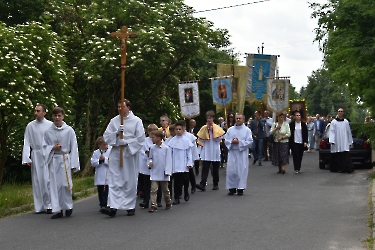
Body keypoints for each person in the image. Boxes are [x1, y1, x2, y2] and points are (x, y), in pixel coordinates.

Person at [102, 100, 145, 217]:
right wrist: (116, 134)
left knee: (129, 180)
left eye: (122, 106)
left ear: (129, 107)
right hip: (116, 152)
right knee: (115, 180)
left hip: (129, 153)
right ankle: (113, 207)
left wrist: (127, 142)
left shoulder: (136, 121)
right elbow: (106, 137)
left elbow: (141, 139)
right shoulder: (114, 121)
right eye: (118, 107)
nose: (120, 109)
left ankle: (130, 206)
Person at [43, 107, 80, 219]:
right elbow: (44, 147)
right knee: (55, 186)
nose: (57, 118)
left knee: (65, 184)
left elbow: (74, 147)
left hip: (65, 159)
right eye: (55, 116)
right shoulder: (48, 131)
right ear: (52, 117)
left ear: (63, 116)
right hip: (54, 159)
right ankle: (58, 210)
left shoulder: (69, 130)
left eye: (59, 115)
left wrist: (74, 164)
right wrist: (52, 148)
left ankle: (68, 206)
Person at [22, 104, 53, 214]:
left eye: (38, 111)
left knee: (47, 179)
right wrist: (27, 158)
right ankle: (39, 206)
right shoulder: (30, 125)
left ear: (44, 113)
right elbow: (27, 141)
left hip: (47, 154)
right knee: (37, 180)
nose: (35, 113)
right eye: (35, 111)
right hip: (36, 154)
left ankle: (50, 204)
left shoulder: (50, 125)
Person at [196, 110, 225, 191]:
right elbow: (202, 139)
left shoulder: (217, 128)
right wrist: (207, 131)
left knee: (215, 168)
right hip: (207, 150)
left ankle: (216, 183)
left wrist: (212, 131)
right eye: (207, 118)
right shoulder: (203, 128)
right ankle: (202, 184)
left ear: (213, 118)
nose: (209, 120)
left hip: (215, 150)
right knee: (205, 168)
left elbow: (220, 138)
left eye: (210, 118)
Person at [224, 113, 253, 196]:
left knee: (241, 170)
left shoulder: (247, 130)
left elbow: (250, 141)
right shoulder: (230, 129)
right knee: (231, 170)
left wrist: (239, 143)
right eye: (237, 118)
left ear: (243, 120)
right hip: (233, 152)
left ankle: (240, 188)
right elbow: (226, 140)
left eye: (240, 118)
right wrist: (231, 142)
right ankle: (232, 188)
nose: (238, 120)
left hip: (242, 152)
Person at [167, 121, 193, 204]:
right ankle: (176, 197)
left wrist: (189, 163)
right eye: (176, 129)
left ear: (183, 130)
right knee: (177, 181)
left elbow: (189, 153)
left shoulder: (186, 141)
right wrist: (169, 164)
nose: (178, 131)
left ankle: (186, 192)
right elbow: (169, 154)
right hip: (175, 164)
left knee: (185, 180)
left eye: (179, 129)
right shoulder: (171, 141)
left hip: (184, 164)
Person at [147, 130, 173, 212]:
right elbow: (150, 158)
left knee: (165, 190)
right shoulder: (152, 148)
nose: (152, 139)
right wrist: (150, 163)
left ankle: (168, 202)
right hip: (155, 172)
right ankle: (153, 205)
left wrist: (167, 171)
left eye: (153, 137)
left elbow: (168, 161)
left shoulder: (166, 148)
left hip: (163, 173)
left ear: (159, 138)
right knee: (153, 189)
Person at [138, 124, 160, 209]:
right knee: (147, 185)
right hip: (146, 166)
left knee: (157, 185)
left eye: (154, 130)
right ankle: (146, 201)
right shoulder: (144, 141)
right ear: (148, 132)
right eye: (150, 131)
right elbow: (141, 151)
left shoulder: (159, 141)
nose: (152, 133)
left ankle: (157, 201)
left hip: (156, 165)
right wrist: (147, 154)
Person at [329, 108, 354, 173]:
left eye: (341, 111)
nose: (340, 112)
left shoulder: (346, 122)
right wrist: (332, 140)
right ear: (337, 113)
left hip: (344, 141)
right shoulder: (333, 122)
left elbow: (348, 131)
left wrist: (350, 141)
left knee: (345, 154)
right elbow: (332, 131)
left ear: (343, 113)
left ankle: (346, 168)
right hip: (337, 141)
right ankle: (337, 168)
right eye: (339, 111)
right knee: (337, 154)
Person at [90, 136, 111, 212]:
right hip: (99, 174)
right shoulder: (96, 152)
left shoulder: (110, 151)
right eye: (103, 145)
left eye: (106, 144)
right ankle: (101, 204)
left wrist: (104, 159)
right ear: (99, 145)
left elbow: (112, 161)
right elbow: (92, 162)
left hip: (107, 174)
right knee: (100, 190)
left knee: (106, 191)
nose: (105, 146)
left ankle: (105, 204)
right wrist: (99, 161)